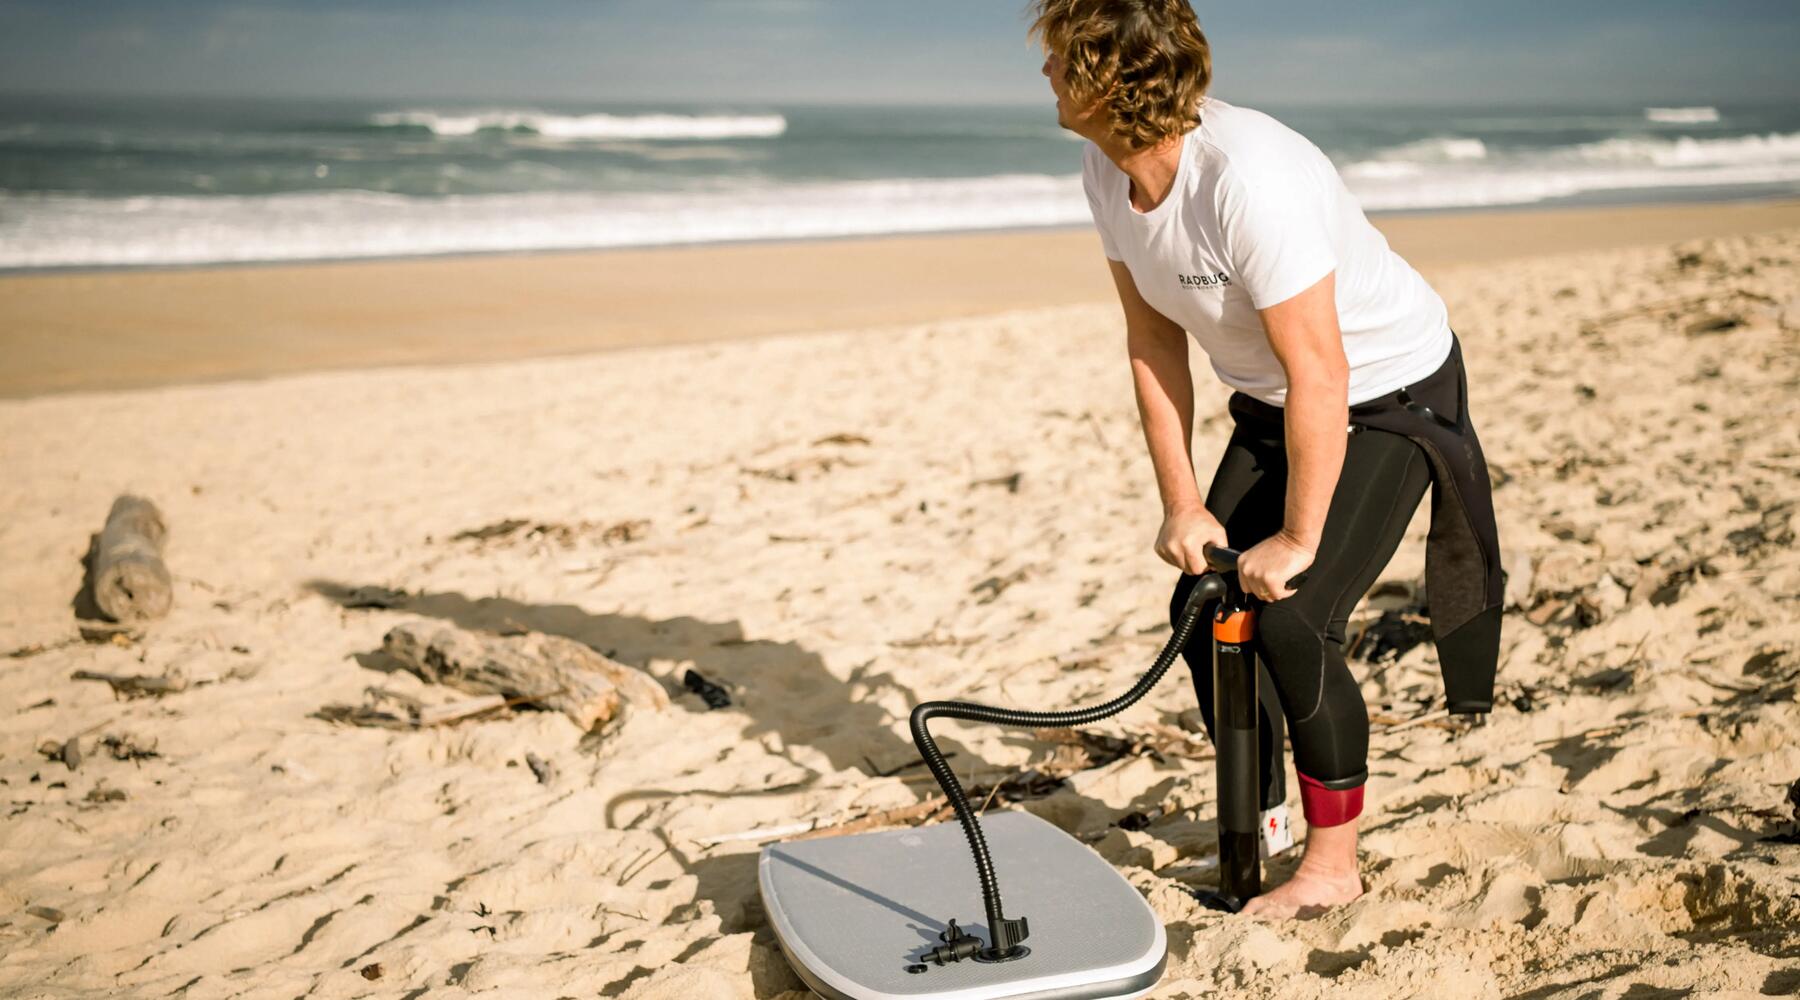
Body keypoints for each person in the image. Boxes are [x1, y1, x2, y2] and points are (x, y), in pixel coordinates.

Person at [1030, 0, 1505, 919]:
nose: (1044, 75)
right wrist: (1182, 505)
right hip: (1278, 396)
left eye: (1058, 59)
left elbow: (1323, 370)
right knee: (1202, 602)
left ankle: (1333, 867)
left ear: (1107, 77)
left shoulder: (1251, 179)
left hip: (1388, 390)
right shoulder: (1106, 169)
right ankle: (1268, 816)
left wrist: (1295, 536)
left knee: (1294, 617)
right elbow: (1151, 340)